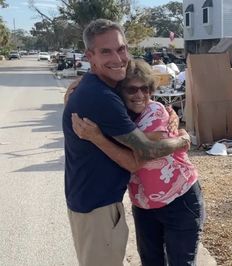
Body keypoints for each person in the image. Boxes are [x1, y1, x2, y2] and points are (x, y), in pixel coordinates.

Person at [62, 19, 190, 266]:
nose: (117, 58)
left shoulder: (104, 88)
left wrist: (165, 110)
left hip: (93, 203)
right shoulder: (100, 97)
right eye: (106, 51)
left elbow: (136, 100)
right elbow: (145, 152)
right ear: (90, 56)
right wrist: (183, 141)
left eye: (121, 49)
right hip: (96, 207)